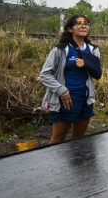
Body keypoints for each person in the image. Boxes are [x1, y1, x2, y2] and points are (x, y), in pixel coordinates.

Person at [40, 14, 102, 144]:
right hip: (66, 101)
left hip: (86, 100)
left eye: (86, 23)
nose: (83, 25)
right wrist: (62, 91)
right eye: (78, 23)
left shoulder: (93, 50)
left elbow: (97, 73)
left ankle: (77, 163)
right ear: (70, 29)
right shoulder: (61, 49)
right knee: (58, 138)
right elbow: (45, 74)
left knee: (79, 138)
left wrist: (86, 64)